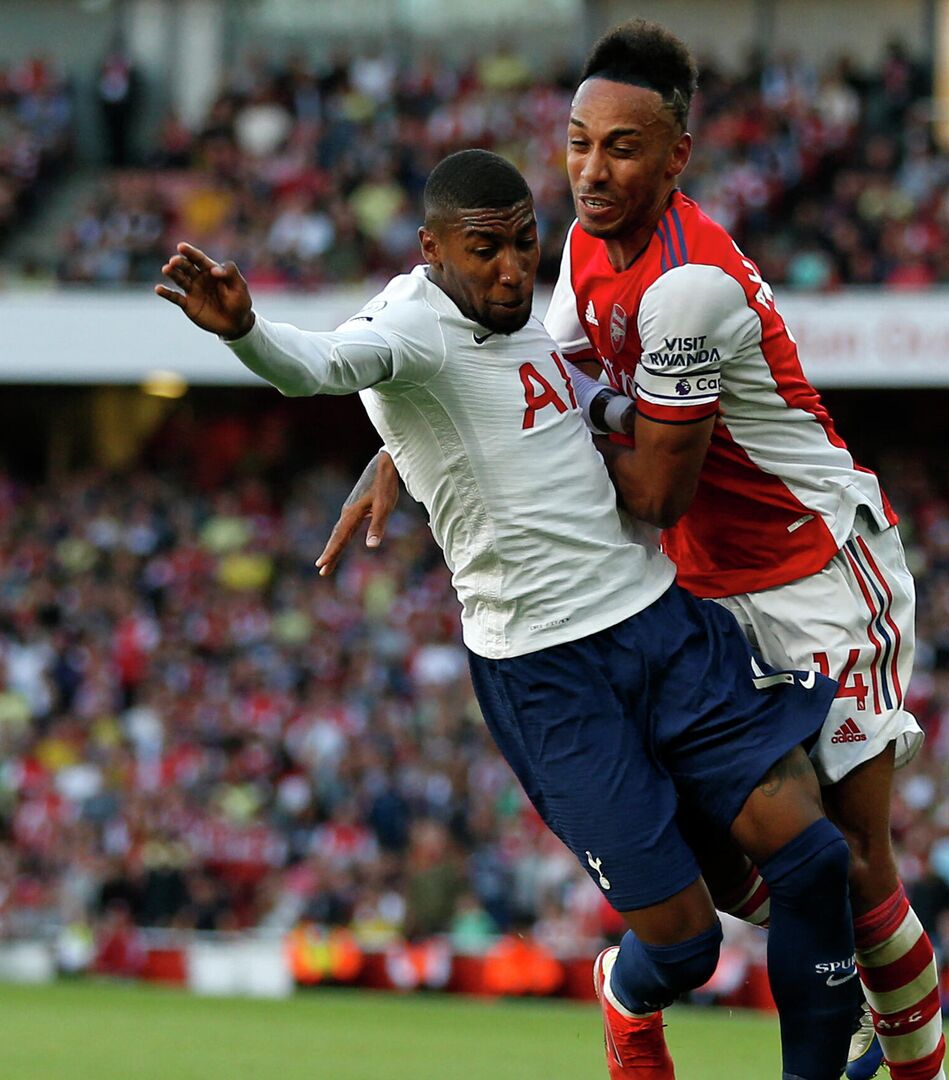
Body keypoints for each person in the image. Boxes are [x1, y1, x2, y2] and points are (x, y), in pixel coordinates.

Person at [157, 148, 862, 1080]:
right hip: (549, 676)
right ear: (434, 249)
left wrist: (403, 460)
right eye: (484, 250)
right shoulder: (407, 324)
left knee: (814, 860)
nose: (509, 269)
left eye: (524, 245)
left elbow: (536, 402)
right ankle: (624, 993)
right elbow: (321, 367)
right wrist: (246, 332)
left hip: (658, 621)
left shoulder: (521, 314)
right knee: (686, 948)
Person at [322, 23, 942, 1080]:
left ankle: (907, 1070)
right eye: (577, 143)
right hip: (699, 584)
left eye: (621, 147)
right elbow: (538, 378)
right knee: (740, 865)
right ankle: (675, 996)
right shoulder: (574, 250)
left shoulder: (689, 285)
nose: (591, 170)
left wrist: (516, 475)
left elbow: (653, 489)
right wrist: (402, 445)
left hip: (813, 571)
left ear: (675, 157)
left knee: (847, 856)